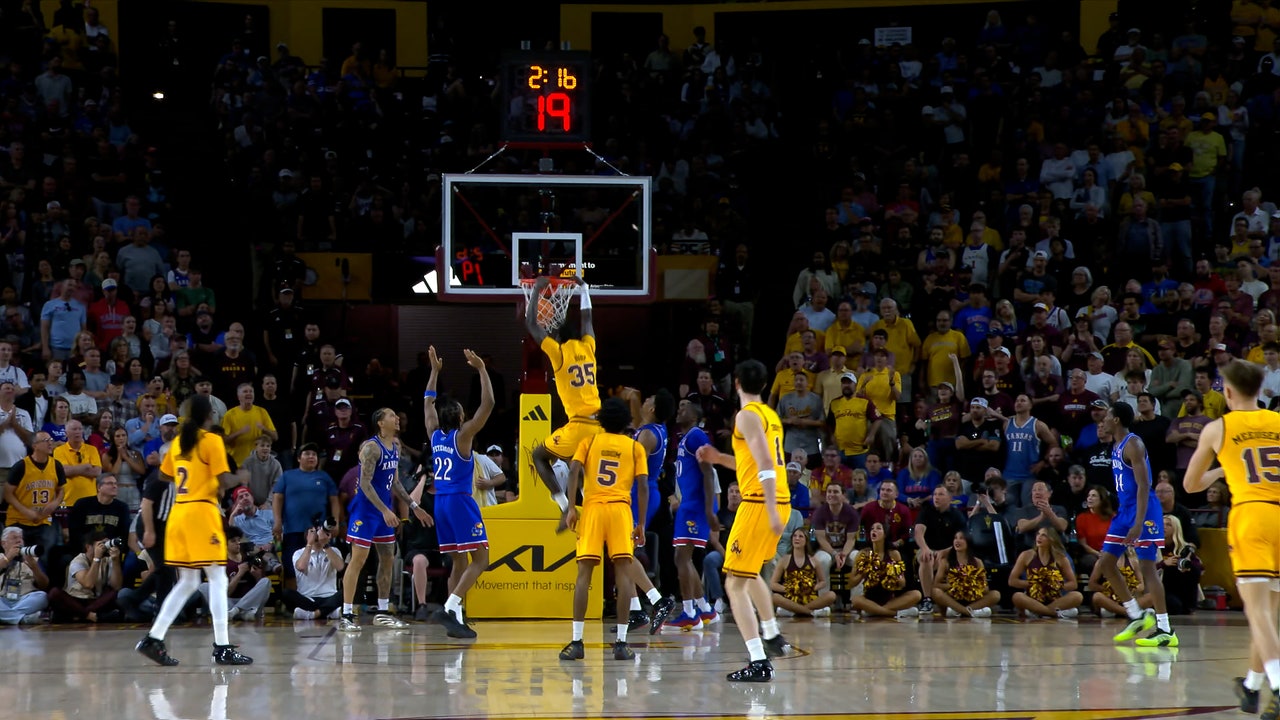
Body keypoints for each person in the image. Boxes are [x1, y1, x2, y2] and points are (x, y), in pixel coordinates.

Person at [1183, 360, 1280, 716]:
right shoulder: (1278, 420)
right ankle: (1252, 687)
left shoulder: (1217, 427)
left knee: (1257, 612)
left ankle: (1278, 685)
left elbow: (1190, 485)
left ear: (1226, 391)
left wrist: (1222, 469)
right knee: (1267, 616)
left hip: (1251, 516)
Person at [135, 395, 253, 667]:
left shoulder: (178, 442)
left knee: (188, 581)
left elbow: (164, 476)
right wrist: (242, 476)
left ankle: (154, 638)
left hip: (179, 513)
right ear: (209, 415)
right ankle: (223, 646)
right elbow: (225, 480)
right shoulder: (211, 440)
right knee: (218, 578)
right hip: (201, 512)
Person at [697, 359, 792, 682]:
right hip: (777, 501)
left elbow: (765, 463)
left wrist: (770, 509)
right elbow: (751, 462)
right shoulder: (769, 415)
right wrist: (718, 458)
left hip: (759, 504)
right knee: (748, 574)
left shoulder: (746, 416)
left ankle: (758, 660)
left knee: (733, 583)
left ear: (736, 383)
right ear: (764, 384)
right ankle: (772, 635)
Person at [558, 398, 649, 662]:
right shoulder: (634, 447)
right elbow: (643, 486)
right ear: (626, 422)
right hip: (620, 510)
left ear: (601, 420)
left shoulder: (589, 442)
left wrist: (571, 507)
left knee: (583, 575)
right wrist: (641, 523)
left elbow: (573, 471)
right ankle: (621, 643)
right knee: (624, 577)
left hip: (593, 509)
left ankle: (577, 642)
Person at [337, 406, 432, 632]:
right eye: (391, 415)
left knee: (387, 558)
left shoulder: (394, 448)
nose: (397, 418)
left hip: (384, 511)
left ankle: (382, 612)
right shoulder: (371, 447)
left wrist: (414, 506)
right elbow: (365, 484)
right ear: (380, 423)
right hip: (365, 511)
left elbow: (395, 483)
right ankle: (347, 614)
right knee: (358, 560)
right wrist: (384, 511)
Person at [423, 346, 493, 638]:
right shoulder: (463, 437)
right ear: (461, 417)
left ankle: (456, 620)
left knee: (459, 561)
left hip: (440, 503)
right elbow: (488, 404)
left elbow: (428, 403)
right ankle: (450, 606)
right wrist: (482, 369)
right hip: (460, 502)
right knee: (481, 560)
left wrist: (434, 372)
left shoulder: (434, 435)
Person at [1097, 402, 1175, 648]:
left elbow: (1144, 486)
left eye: (1107, 416)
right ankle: (1136, 614)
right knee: (1106, 562)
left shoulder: (1134, 444)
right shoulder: (1115, 445)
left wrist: (1139, 522)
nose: (1103, 420)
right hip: (1125, 510)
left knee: (1147, 567)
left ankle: (1165, 629)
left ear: (1117, 420)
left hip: (1144, 511)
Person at [525, 276, 602, 523]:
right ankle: (587, 502)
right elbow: (587, 319)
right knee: (575, 460)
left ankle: (564, 504)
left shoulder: (558, 353)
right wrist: (585, 289)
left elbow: (531, 324)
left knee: (539, 456)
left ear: (558, 338)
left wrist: (537, 290)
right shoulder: (588, 347)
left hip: (578, 425)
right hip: (599, 426)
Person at [621, 386, 677, 631]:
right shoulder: (654, 428)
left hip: (639, 492)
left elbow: (633, 468)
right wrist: (633, 398)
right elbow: (637, 421)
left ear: (652, 408)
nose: (644, 401)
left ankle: (657, 600)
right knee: (622, 554)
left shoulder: (647, 436)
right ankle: (636, 611)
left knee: (622, 553)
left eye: (647, 399)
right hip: (644, 491)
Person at [667, 400, 721, 629]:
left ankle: (690, 613)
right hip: (690, 503)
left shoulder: (696, 435)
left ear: (695, 414)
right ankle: (705, 609)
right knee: (683, 558)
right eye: (678, 406)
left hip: (696, 505)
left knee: (682, 558)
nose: (679, 409)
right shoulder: (685, 438)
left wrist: (709, 509)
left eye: (685, 407)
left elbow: (708, 473)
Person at [848, 521, 921, 618]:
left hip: (890, 600)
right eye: (872, 529)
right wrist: (863, 572)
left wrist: (894, 575)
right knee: (855, 600)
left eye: (878, 528)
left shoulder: (893, 554)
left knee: (917, 594)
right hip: (869, 599)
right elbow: (851, 583)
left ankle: (873, 611)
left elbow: (902, 583)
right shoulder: (863, 553)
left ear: (885, 534)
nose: (874, 530)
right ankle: (896, 613)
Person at [1009, 527, 1084, 618]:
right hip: (1033, 598)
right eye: (1038, 534)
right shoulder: (1026, 555)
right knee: (1017, 596)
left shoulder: (1061, 558)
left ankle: (1038, 612)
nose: (1039, 537)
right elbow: (1012, 581)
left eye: (1043, 535)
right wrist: (1034, 583)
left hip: (1055, 599)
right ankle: (1055, 613)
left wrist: (1055, 585)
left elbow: (1073, 584)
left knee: (1077, 596)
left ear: (1051, 539)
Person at [931, 531, 1001, 618]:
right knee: (935, 592)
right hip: (953, 598)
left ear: (968, 542)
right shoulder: (945, 562)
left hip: (973, 598)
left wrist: (971, 586)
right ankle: (968, 612)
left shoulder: (977, 562)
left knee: (996, 595)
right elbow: (936, 585)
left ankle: (959, 611)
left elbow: (986, 588)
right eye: (955, 538)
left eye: (961, 538)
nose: (957, 541)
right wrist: (956, 585)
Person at [769, 528, 837, 617]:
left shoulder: (814, 560)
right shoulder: (784, 560)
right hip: (790, 598)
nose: (797, 538)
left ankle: (795, 610)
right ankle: (810, 612)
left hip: (810, 598)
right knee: (775, 597)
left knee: (831, 595)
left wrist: (811, 588)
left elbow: (822, 581)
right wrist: (790, 589)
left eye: (801, 536)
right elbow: (773, 584)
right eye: (795, 536)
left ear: (806, 541)